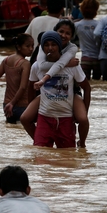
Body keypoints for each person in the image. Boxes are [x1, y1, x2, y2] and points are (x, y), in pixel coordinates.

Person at [22, 20, 89, 148]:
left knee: (83, 119)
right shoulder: (39, 61)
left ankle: (83, 144)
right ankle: (39, 137)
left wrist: (85, 110)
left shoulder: (71, 55)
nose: (50, 48)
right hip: (45, 105)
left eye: (67, 33)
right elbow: (32, 84)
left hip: (71, 96)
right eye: (61, 32)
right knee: (26, 119)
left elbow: (86, 87)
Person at [0, 34, 33, 124]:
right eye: (27, 46)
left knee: (11, 131)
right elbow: (23, 87)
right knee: (21, 134)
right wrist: (12, 103)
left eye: (32, 46)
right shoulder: (25, 63)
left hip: (6, 105)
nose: (31, 49)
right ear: (18, 47)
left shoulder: (6, 60)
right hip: (21, 106)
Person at [75, 0, 101, 80]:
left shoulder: (77, 25)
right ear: (96, 10)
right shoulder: (99, 24)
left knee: (85, 83)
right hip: (98, 59)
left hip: (85, 58)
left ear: (82, 9)